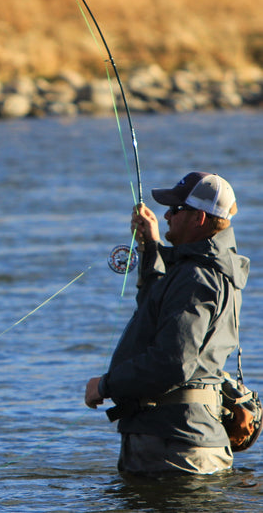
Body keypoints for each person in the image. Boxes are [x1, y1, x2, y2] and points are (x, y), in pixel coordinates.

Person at [85, 171, 250, 475]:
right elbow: (156, 314)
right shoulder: (203, 270)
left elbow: (172, 362)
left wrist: (106, 384)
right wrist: (150, 247)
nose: (167, 215)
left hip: (174, 447)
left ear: (199, 218)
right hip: (180, 441)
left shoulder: (196, 277)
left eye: (176, 210)